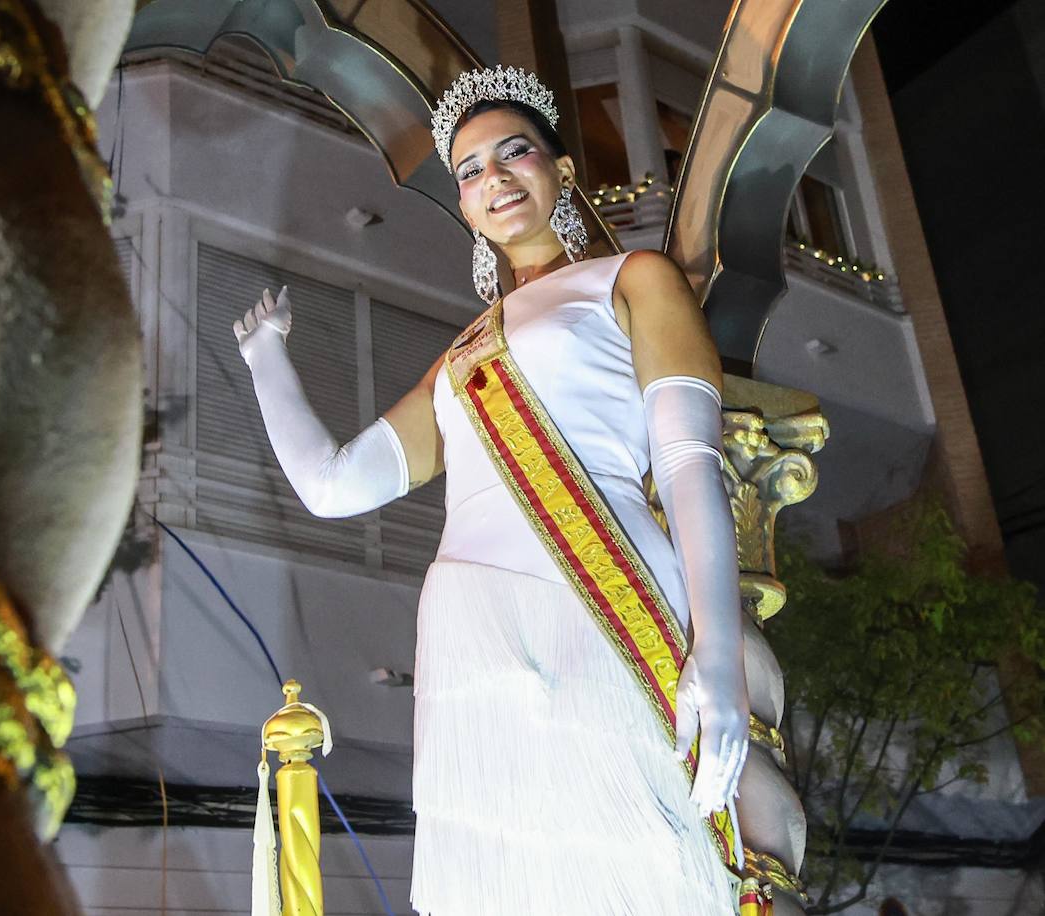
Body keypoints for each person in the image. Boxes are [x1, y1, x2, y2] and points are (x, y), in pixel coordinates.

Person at [233, 66, 747, 915]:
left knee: (633, 858)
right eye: (470, 171)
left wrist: (717, 653)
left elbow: (691, 461)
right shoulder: (464, 357)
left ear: (562, 173)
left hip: (598, 594)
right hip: (468, 632)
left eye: (514, 154)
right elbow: (333, 485)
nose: (494, 179)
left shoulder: (635, 280)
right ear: (464, 206)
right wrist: (267, 365)